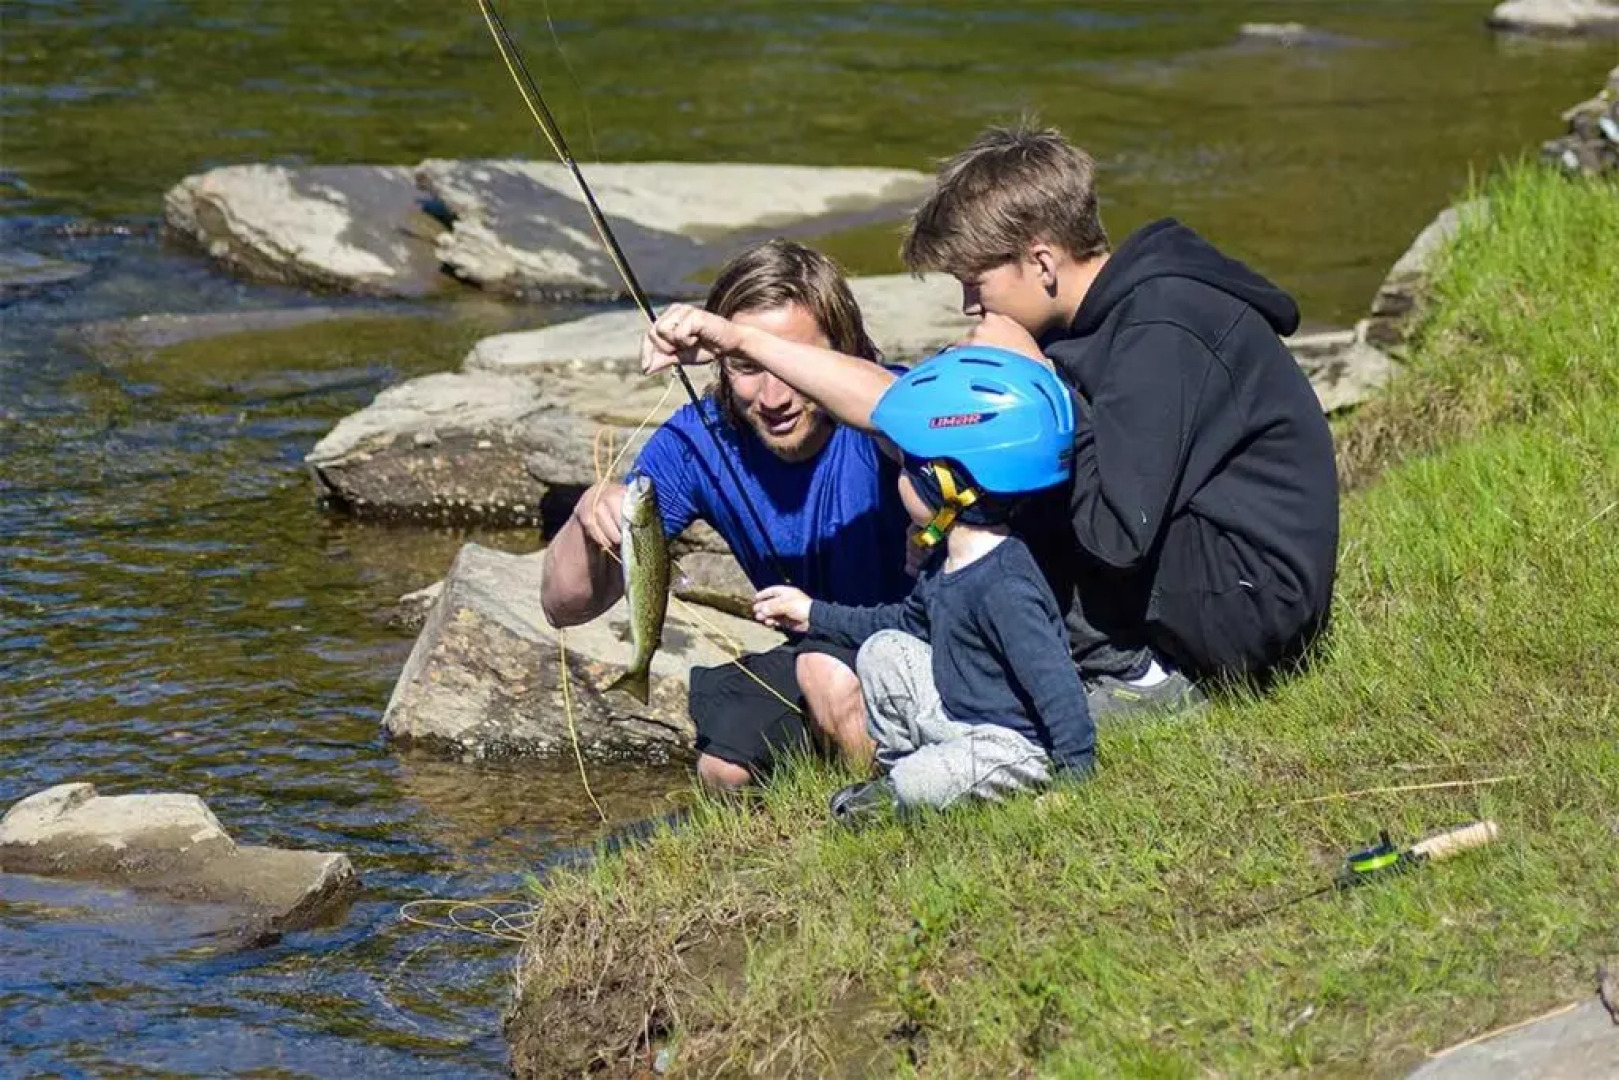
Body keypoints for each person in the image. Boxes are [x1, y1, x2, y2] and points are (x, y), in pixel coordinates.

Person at [642, 123, 1340, 722]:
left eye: (974, 282)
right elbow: (903, 411)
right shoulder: (1088, 324)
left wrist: (1035, 384)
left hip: (1247, 609)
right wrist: (738, 342)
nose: (969, 302)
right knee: (958, 452)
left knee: (992, 457)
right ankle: (1008, 678)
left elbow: (1114, 534)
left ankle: (1137, 685)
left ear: (1039, 260)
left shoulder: (1165, 327)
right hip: (1190, 572)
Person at [542, 240, 913, 791]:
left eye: (788, 363)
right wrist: (587, 515)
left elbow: (900, 407)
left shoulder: (885, 409)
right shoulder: (697, 440)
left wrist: (746, 341)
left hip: (934, 642)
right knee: (723, 770)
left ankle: (891, 826)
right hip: (820, 647)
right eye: (745, 367)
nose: (773, 396)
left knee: (830, 675)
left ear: (842, 350)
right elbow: (562, 607)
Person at [752, 347, 1094, 826]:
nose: (898, 478)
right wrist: (814, 614)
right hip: (957, 716)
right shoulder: (945, 563)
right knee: (884, 648)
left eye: (907, 467)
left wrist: (1076, 774)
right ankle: (902, 770)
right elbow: (901, 623)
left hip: (1013, 744)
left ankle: (905, 789)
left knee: (923, 783)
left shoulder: (1005, 584)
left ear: (944, 484)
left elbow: (1056, 685)